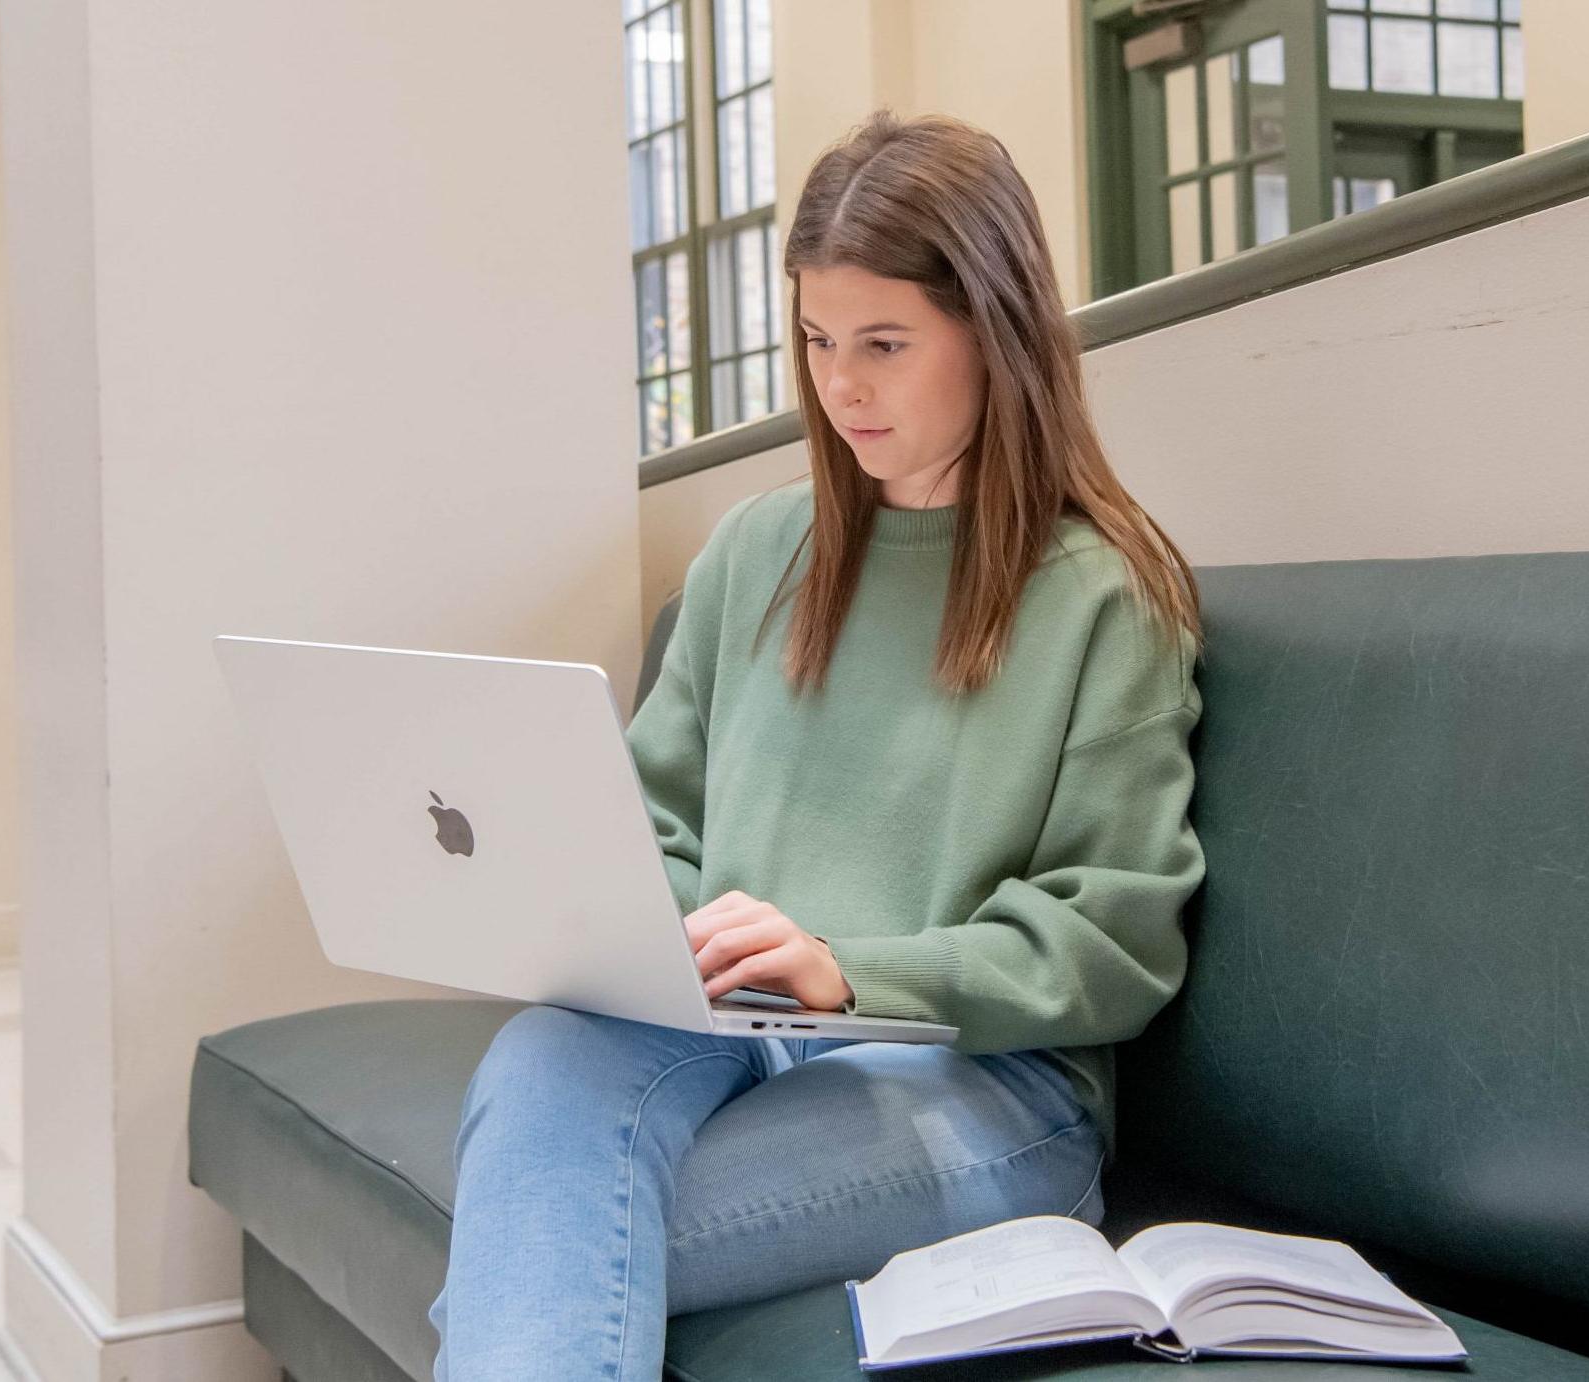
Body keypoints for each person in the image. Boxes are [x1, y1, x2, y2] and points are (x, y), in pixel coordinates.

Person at [427, 107, 1207, 1381]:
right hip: (723, 1034)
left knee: (540, 1232)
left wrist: (850, 968)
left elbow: (1111, 940)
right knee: (545, 1062)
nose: (841, 384)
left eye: (885, 343)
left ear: (995, 331)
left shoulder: (1103, 595)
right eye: (817, 339)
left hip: (978, 1084)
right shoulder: (753, 550)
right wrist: (643, 935)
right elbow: (652, 826)